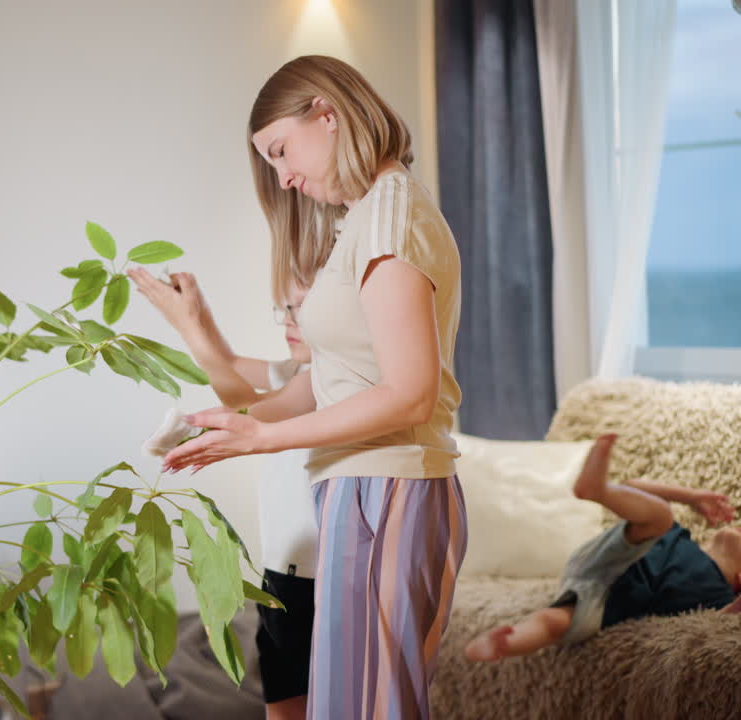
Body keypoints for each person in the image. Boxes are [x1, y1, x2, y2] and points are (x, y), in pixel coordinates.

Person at [153, 55, 467, 720]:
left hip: (388, 488)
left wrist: (265, 435)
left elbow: (410, 394)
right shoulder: (366, 218)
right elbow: (327, 384)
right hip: (363, 489)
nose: (284, 177)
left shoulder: (389, 217)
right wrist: (229, 423)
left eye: (280, 151)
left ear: (326, 113)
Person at [130, 272, 318, 720]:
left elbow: (246, 408)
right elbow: (229, 364)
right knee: (283, 704)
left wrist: (188, 325)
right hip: (281, 573)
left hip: (312, 574)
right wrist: (197, 315)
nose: (286, 321)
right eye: (284, 309)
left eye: (300, 309)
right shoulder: (295, 371)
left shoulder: (326, 379)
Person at [464, 434, 741, 662]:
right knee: (660, 515)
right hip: (614, 556)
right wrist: (692, 497)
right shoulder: (679, 538)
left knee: (554, 623)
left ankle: (504, 642)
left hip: (605, 601)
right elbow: (634, 488)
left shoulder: (717, 595)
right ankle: (599, 491)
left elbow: (716, 626)